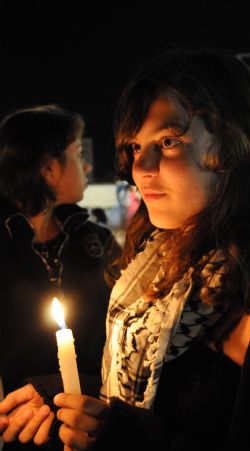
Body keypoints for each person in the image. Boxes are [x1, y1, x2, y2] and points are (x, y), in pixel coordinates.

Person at [1, 47, 250, 451]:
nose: (140, 169)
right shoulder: (154, 269)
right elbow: (155, 400)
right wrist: (67, 396)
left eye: (170, 141)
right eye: (136, 148)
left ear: (232, 147)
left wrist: (125, 437)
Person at [0, 105, 120, 450]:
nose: (86, 166)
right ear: (49, 168)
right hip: (23, 431)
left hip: (101, 422)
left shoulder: (96, 242)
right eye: (78, 154)